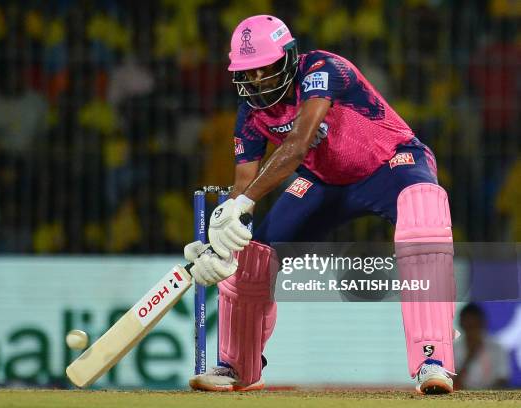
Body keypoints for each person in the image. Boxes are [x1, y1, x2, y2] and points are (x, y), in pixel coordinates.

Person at [183, 15, 456, 394]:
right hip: (323, 182)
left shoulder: (323, 69)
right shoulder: (251, 115)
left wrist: (241, 203)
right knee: (252, 256)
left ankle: (433, 360)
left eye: (267, 68)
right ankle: (238, 367)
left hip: (390, 163)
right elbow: (243, 187)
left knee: (424, 210)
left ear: (290, 58)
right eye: (249, 73)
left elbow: (297, 145)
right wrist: (222, 237)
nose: (259, 80)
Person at [454, 303, 510, 390]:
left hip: (491, 398)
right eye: (469, 326)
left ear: (483, 324)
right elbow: (452, 382)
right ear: (461, 324)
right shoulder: (453, 349)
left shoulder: (497, 348)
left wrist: (485, 395)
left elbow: (503, 378)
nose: (472, 330)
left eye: (475, 325)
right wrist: (470, 356)